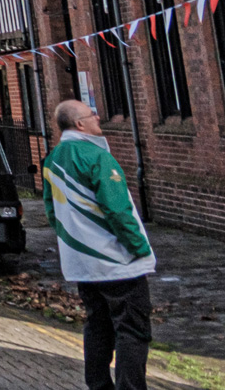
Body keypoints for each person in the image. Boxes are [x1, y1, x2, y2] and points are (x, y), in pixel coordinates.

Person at [44, 100, 155, 390]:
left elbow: (51, 210)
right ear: (79, 124)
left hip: (81, 264)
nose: (98, 117)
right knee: (131, 331)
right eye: (92, 114)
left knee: (97, 327)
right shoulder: (97, 156)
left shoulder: (53, 159)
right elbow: (118, 209)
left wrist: (74, 242)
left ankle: (98, 386)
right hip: (117, 263)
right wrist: (139, 249)